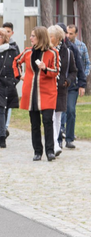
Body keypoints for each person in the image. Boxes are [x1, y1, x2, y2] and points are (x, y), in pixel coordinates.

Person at [14, 26, 60, 161]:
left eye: (33, 35)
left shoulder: (53, 52)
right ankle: (37, 151)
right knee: (34, 123)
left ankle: (50, 151)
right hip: (31, 92)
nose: (30, 38)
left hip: (47, 92)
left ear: (40, 37)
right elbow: (16, 61)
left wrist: (46, 68)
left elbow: (56, 71)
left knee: (47, 121)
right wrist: (19, 75)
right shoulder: (27, 52)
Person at [49, 25, 76, 157]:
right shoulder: (46, 50)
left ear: (58, 38)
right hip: (47, 88)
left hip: (61, 88)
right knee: (51, 117)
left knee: (58, 117)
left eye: (51, 36)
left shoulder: (68, 52)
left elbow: (73, 71)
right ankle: (53, 143)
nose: (48, 39)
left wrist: (68, 81)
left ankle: (55, 143)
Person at [64, 24, 88, 149]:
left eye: (70, 33)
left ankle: (69, 138)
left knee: (71, 110)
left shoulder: (77, 47)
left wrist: (82, 84)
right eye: (66, 33)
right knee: (60, 112)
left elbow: (83, 65)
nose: (68, 36)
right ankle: (58, 137)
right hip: (60, 85)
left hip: (73, 84)